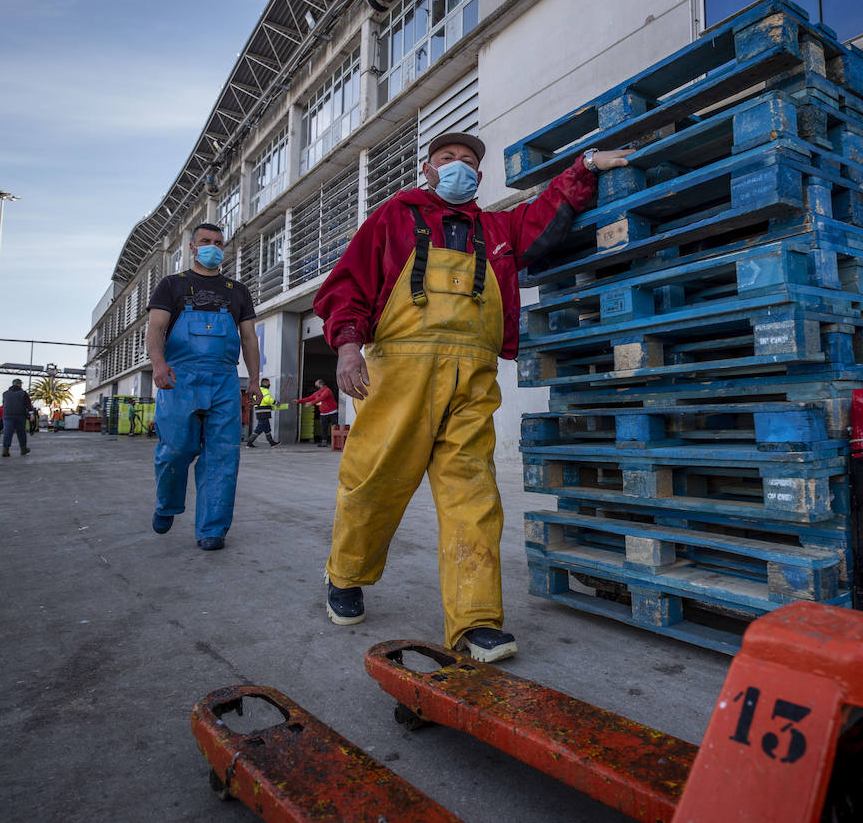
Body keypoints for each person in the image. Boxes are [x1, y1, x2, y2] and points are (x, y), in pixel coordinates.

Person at [313, 131, 630, 662]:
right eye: (447, 159)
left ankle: (475, 621)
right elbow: (348, 287)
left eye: (467, 161)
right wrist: (347, 348)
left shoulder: (496, 229)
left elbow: (546, 213)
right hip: (398, 377)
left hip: (472, 379)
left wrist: (587, 166)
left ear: (479, 178)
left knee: (474, 497)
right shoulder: (394, 217)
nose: (457, 167)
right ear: (428, 169)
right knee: (374, 484)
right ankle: (344, 576)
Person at [145, 222, 259, 551]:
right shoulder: (171, 285)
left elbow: (249, 337)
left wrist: (253, 379)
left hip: (223, 378)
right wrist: (159, 364)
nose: (213, 247)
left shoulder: (237, 290)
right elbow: (156, 327)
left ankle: (212, 529)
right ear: (192, 247)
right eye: (206, 241)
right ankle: (166, 504)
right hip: (179, 376)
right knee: (176, 448)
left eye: (219, 242)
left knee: (223, 456)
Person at [295, 379, 340, 448]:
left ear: (321, 384)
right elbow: (310, 398)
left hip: (332, 412)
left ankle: (337, 442)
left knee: (335, 427)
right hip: (323, 413)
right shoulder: (317, 392)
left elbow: (321, 398)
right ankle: (324, 442)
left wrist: (311, 403)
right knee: (324, 428)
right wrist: (299, 401)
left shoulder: (327, 390)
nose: (315, 386)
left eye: (316, 385)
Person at [0, 379, 33, 456]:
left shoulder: (5, 393)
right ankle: (23, 449)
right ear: (19, 384)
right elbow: (28, 404)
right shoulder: (23, 393)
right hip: (20, 415)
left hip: (7, 415)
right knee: (21, 433)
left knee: (7, 433)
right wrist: (31, 414)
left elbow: (4, 403)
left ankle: (5, 450)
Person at [246, 378, 280, 447]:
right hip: (264, 411)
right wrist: (275, 402)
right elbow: (267, 400)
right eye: (268, 383)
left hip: (259, 410)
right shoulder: (265, 390)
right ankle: (249, 442)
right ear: (264, 383)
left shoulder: (258, 390)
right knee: (260, 427)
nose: (269, 384)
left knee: (267, 427)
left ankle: (272, 443)